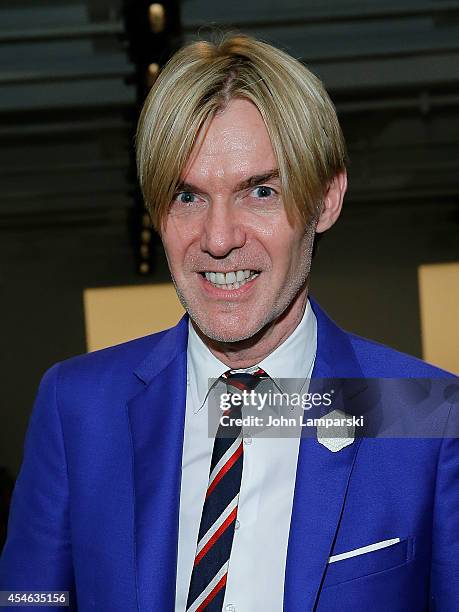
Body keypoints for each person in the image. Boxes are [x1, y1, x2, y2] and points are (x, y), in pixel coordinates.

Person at [0, 34, 457, 612]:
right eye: (188, 197)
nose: (218, 239)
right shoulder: (78, 407)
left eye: (260, 192)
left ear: (326, 200)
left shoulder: (426, 418)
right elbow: (29, 598)